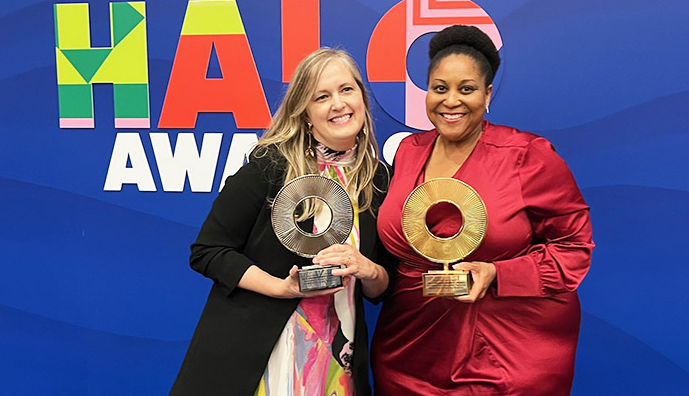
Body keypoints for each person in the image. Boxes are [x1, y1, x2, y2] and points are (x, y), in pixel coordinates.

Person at [371, 25, 594, 396]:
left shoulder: (527, 156)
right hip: (407, 349)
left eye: (467, 89)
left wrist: (498, 273)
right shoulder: (409, 151)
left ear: (488, 93)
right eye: (439, 88)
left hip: (503, 356)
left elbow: (573, 250)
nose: (451, 101)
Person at [170, 48, 394, 396]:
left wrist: (368, 269)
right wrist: (281, 287)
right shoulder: (270, 166)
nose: (339, 104)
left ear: (362, 98)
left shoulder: (379, 180)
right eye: (322, 96)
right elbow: (208, 251)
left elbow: (384, 286)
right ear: (305, 112)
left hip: (338, 360)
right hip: (259, 356)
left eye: (346, 90)